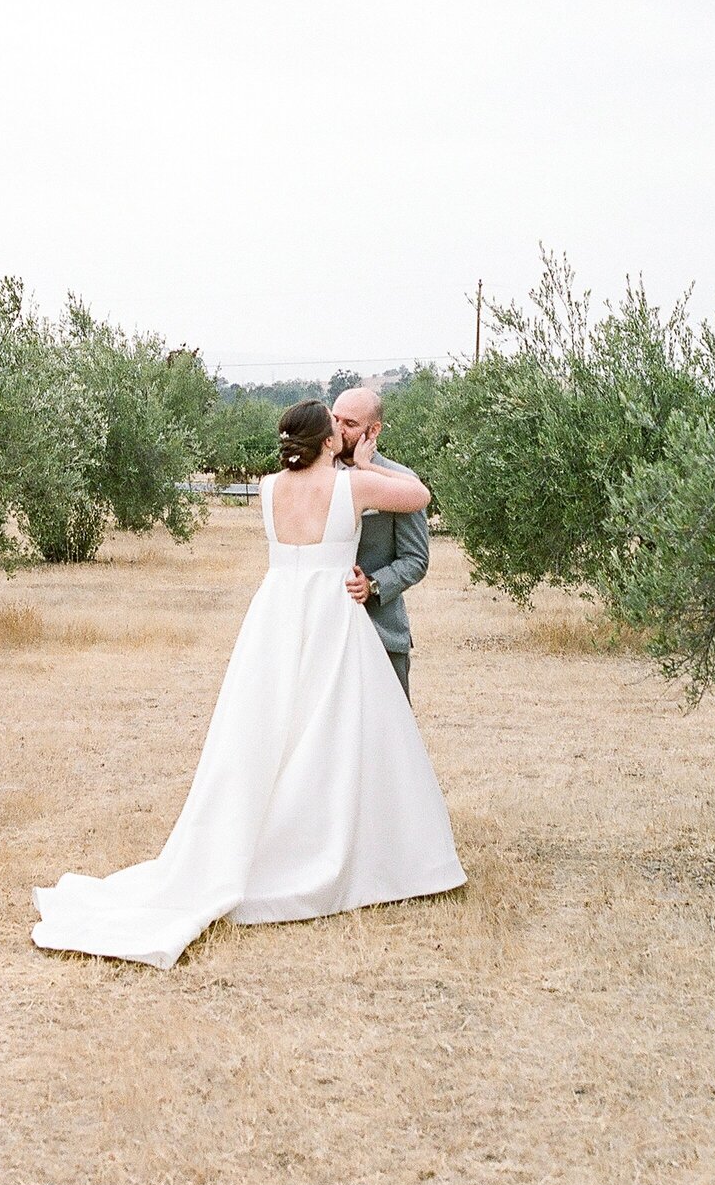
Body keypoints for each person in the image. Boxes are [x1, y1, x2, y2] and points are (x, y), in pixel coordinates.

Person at [32, 399, 465, 968]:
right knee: (335, 734)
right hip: (331, 616)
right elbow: (421, 497)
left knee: (263, 735)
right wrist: (363, 463)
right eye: (334, 429)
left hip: (277, 615)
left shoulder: (266, 488)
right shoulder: (353, 487)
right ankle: (331, 851)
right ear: (327, 443)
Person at [332, 386, 427, 699]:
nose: (339, 430)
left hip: (381, 630)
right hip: (325, 630)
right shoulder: (316, 479)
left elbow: (415, 559)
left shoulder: (400, 480)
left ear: (373, 431)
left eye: (350, 424)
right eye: (335, 419)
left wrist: (372, 584)